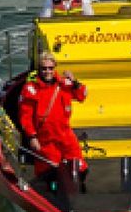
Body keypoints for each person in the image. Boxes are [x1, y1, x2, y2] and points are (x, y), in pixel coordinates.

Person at [17, 51, 88, 187]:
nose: (47, 72)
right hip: (45, 138)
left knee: (79, 166)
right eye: (44, 68)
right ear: (39, 69)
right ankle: (52, 197)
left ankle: (79, 192)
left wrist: (75, 82)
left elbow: (82, 96)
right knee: (48, 171)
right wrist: (32, 137)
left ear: (55, 67)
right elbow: (25, 116)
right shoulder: (31, 89)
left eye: (50, 68)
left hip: (65, 134)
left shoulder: (64, 84)